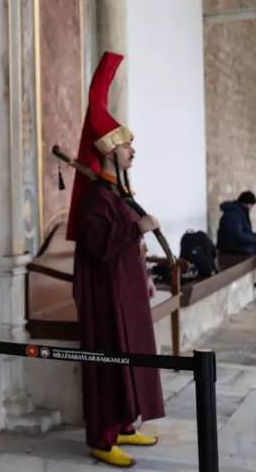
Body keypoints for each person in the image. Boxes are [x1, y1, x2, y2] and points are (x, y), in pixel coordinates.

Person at [66, 51, 165, 468]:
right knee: (109, 359)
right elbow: (96, 244)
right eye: (126, 145)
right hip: (106, 297)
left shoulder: (117, 193)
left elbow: (124, 244)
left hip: (126, 290)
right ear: (108, 151)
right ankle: (102, 438)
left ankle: (125, 424)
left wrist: (143, 272)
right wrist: (135, 229)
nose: (132, 151)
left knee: (133, 353)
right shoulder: (96, 198)